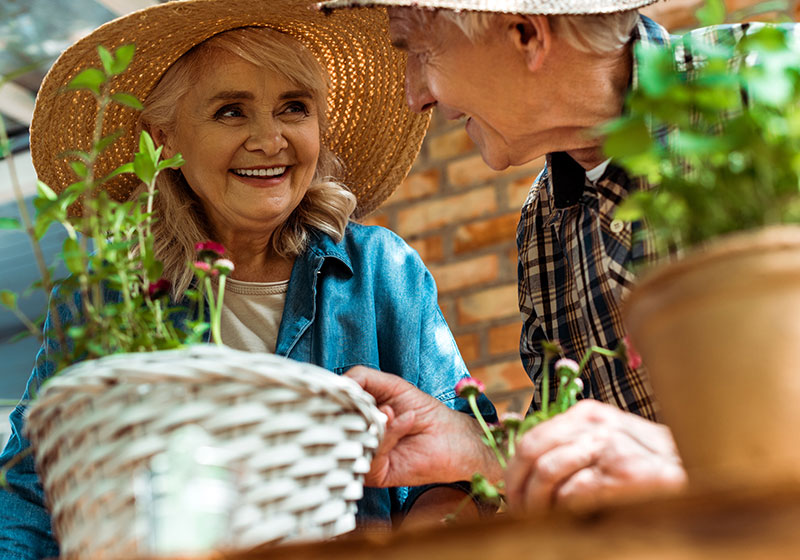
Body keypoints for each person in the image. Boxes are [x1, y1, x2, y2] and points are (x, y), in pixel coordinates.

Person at [0, 1, 495, 557]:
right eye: (231, 111)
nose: (269, 140)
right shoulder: (102, 302)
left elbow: (461, 467)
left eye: (294, 108)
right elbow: (29, 491)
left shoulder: (383, 270)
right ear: (164, 139)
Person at [319, 0, 800, 511]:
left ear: (525, 33)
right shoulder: (544, 223)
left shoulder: (781, 83)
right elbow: (586, 455)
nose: (415, 97)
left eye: (421, 51)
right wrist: (474, 447)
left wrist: (696, 468)